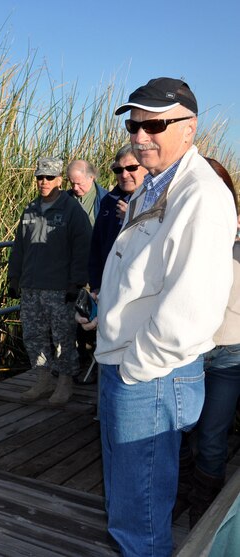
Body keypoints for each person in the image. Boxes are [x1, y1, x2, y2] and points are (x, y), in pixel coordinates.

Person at [90, 77, 236, 556]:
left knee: (141, 521)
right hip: (129, 367)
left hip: (149, 376)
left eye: (155, 123)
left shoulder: (202, 195)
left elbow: (192, 307)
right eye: (135, 124)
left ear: (189, 129)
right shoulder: (157, 186)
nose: (139, 135)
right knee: (129, 509)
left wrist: (135, 368)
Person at [7, 157, 92, 405]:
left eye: (49, 177)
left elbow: (82, 249)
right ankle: (43, 379)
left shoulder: (72, 210)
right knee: (34, 335)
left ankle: (65, 382)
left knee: (63, 337)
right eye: (39, 177)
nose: (43, 182)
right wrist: (14, 277)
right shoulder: (30, 209)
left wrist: (76, 283)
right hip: (31, 286)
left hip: (59, 288)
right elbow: (19, 247)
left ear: (59, 180)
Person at [188, 159, 239, 528]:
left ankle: (202, 518)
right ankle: (180, 494)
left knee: (212, 434)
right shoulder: (185, 231)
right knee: (182, 428)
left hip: (230, 353)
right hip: (189, 348)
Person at [88, 146, 148, 292]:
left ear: (146, 167)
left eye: (132, 168)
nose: (124, 175)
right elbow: (97, 245)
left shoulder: (157, 200)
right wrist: (96, 286)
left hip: (141, 290)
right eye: (118, 170)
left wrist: (133, 217)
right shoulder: (108, 201)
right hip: (109, 286)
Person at [67, 160, 108, 227]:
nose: (75, 188)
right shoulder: (63, 198)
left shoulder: (107, 199)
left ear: (91, 178)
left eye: (79, 183)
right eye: (72, 183)